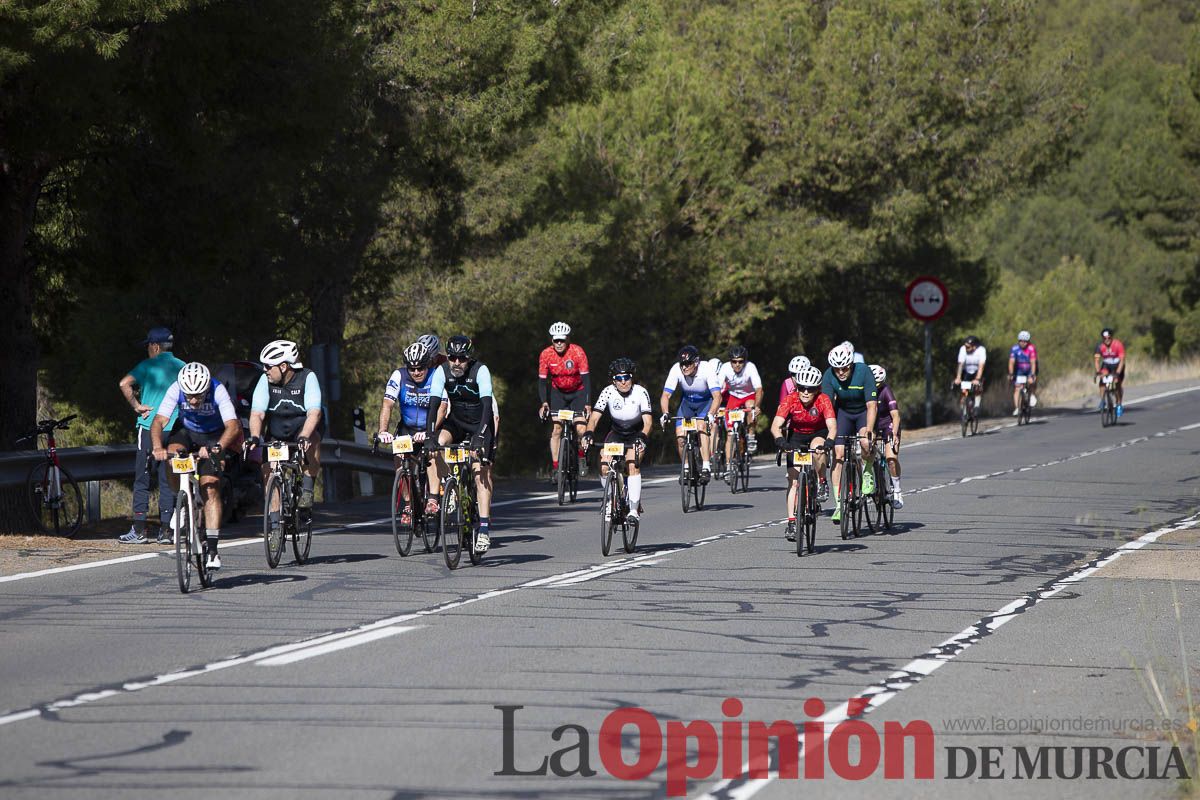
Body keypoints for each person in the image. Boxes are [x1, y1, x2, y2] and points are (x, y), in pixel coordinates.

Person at [150, 363, 240, 569]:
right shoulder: (176, 388)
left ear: (206, 388)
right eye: (188, 395)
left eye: (197, 396)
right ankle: (180, 503)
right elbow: (158, 421)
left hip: (214, 435)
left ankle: (213, 551)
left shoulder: (218, 389)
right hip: (187, 431)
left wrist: (218, 448)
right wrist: (157, 448)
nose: (192, 400)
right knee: (172, 455)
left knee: (210, 486)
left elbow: (232, 425)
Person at [117, 327, 186, 544]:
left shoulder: (147, 365)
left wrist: (136, 406)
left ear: (155, 346)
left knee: (143, 479)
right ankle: (166, 530)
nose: (148, 349)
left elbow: (124, 383)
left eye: (148, 345)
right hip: (174, 427)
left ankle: (139, 529)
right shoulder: (183, 366)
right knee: (168, 479)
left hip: (149, 427)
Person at [431, 335, 497, 553]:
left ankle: (485, 531)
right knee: (437, 445)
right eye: (452, 358)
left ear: (469, 357)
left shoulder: (481, 371)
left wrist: (480, 436)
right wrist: (429, 434)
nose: (457, 363)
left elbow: (487, 406)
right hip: (457, 423)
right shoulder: (442, 371)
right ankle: (449, 485)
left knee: (481, 473)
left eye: (461, 358)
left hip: (481, 424)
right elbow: (433, 406)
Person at [248, 340, 324, 512]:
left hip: (303, 428)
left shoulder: (307, 377)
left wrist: (304, 436)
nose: (264, 370)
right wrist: (254, 435)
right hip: (276, 431)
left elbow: (314, 413)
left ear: (283, 366)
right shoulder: (264, 380)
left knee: (312, 439)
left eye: (268, 366)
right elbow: (257, 413)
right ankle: (275, 527)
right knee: (269, 473)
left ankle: (307, 487)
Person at [582, 358, 653, 524]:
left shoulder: (641, 392)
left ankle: (634, 510)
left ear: (632, 377)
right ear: (613, 380)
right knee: (604, 462)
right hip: (617, 433)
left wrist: (643, 436)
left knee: (632, 463)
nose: (623, 382)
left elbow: (648, 422)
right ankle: (609, 499)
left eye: (626, 377)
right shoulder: (608, 391)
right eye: (619, 378)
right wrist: (589, 433)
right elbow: (594, 418)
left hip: (636, 433)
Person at [770, 366, 835, 542]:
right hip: (796, 436)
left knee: (818, 449)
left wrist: (829, 441)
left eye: (811, 389)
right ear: (797, 387)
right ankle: (791, 522)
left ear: (817, 389)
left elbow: (832, 426)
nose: (806, 392)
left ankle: (822, 481)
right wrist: (781, 441)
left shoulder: (823, 400)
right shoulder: (790, 400)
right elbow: (776, 425)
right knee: (793, 481)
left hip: (817, 433)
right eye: (802, 388)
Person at [377, 341, 439, 526]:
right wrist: (383, 431)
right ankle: (408, 504)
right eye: (412, 368)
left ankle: (433, 498)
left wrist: (430, 432)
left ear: (428, 364)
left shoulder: (436, 376)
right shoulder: (399, 375)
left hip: (430, 426)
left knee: (432, 455)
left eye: (420, 368)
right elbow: (387, 405)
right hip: (408, 428)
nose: (416, 372)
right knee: (400, 459)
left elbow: (444, 407)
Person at [821, 342, 878, 524]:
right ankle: (839, 504)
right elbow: (827, 406)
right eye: (837, 369)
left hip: (862, 412)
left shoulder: (864, 372)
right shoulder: (829, 375)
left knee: (866, 442)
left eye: (844, 368)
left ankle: (868, 471)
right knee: (837, 454)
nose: (840, 373)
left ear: (851, 365)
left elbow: (872, 405)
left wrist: (869, 429)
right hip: (843, 413)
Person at [537, 322, 591, 480]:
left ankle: (581, 457)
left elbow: (587, 380)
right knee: (556, 430)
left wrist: (587, 403)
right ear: (552, 341)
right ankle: (555, 467)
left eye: (562, 340)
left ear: (567, 339)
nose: (559, 343)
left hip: (578, 393)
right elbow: (542, 381)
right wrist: (544, 403)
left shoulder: (577, 352)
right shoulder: (546, 354)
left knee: (581, 429)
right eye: (556, 340)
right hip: (558, 394)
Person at [659, 345, 723, 478]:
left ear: (696, 362)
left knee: (701, 427)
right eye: (682, 364)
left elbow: (717, 396)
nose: (684, 367)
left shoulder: (707, 369)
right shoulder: (676, 370)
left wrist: (711, 414)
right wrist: (665, 413)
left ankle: (706, 466)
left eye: (688, 364)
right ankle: (686, 467)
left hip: (705, 403)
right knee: (680, 435)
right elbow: (665, 395)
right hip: (687, 404)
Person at [715, 345, 763, 466]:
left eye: (740, 361)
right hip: (734, 397)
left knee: (751, 407)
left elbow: (759, 390)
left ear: (745, 361)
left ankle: (751, 436)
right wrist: (714, 408)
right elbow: (718, 390)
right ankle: (728, 465)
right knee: (730, 433)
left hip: (749, 395)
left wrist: (757, 407)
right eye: (734, 361)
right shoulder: (725, 368)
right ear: (730, 361)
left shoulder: (751, 367)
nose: (737, 364)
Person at [870, 364, 904, 509]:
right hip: (873, 425)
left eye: (877, 384)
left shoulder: (886, 391)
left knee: (891, 459)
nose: (874, 387)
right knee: (863, 451)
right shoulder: (865, 391)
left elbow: (895, 416)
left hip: (888, 425)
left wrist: (894, 433)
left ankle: (897, 489)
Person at [1094, 327, 1126, 417]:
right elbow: (1096, 361)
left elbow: (1122, 360)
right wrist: (1098, 372)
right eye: (1104, 338)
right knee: (1102, 382)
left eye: (1109, 338)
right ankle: (1103, 401)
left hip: (1118, 365)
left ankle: (1119, 404)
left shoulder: (1118, 344)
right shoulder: (1099, 346)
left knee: (1117, 384)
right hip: (1107, 365)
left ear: (1111, 337)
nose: (1107, 340)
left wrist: (1118, 373)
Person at [1008, 330, 1038, 415]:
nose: (1023, 343)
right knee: (1017, 388)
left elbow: (1033, 362)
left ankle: (1032, 395)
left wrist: (1032, 374)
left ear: (1028, 342)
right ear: (1018, 341)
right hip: (1019, 370)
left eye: (1025, 341)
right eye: (1021, 341)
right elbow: (1011, 362)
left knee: (1031, 381)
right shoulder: (1015, 349)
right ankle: (1017, 408)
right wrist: (1011, 373)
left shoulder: (1031, 348)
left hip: (1030, 368)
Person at [954, 335, 986, 414]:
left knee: (978, 387)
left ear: (974, 347)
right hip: (967, 371)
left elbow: (981, 366)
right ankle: (964, 413)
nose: (966, 348)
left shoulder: (981, 350)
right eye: (965, 346)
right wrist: (958, 377)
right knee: (964, 390)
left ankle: (976, 406)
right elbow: (960, 364)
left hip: (977, 371)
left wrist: (977, 379)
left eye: (968, 347)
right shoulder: (963, 349)